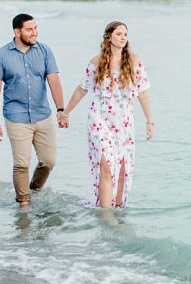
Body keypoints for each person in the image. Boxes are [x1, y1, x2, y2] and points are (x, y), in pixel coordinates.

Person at [61, 21, 154, 208]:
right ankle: (105, 215)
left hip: (124, 122)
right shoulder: (96, 62)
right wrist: (65, 113)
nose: (123, 38)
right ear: (109, 36)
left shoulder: (134, 61)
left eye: (125, 35)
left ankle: (118, 213)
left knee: (121, 168)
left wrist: (149, 121)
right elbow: (82, 89)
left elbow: (142, 91)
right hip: (99, 119)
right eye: (119, 34)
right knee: (106, 165)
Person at [0, 13, 67, 210]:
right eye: (29, 30)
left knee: (49, 161)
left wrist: (61, 110)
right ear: (17, 32)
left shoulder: (45, 51)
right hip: (16, 117)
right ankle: (24, 204)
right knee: (21, 164)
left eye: (36, 29)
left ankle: (33, 190)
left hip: (43, 115)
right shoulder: (0, 56)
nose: (35, 33)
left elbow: (54, 82)